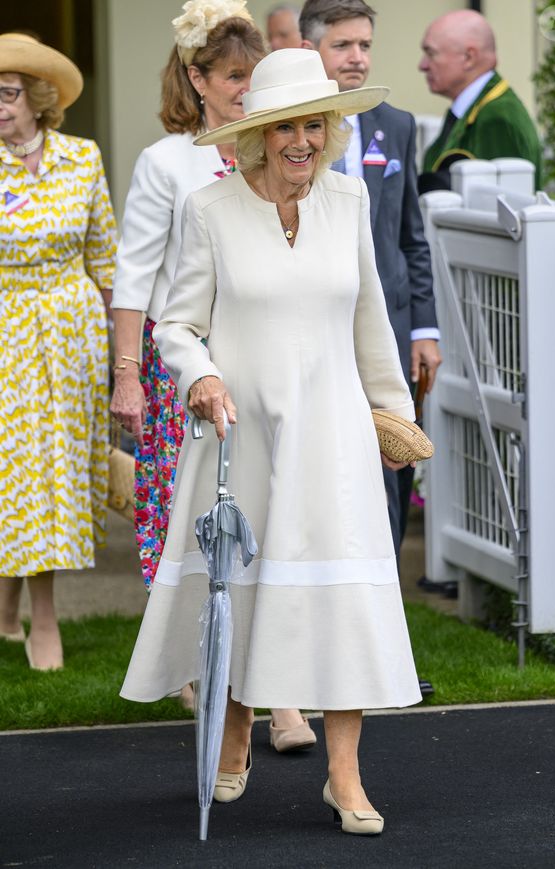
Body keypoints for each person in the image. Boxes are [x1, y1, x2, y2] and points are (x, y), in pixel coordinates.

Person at [121, 47, 422, 836]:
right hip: (240, 434)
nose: (304, 140)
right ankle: (233, 731)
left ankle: (346, 775)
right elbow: (177, 324)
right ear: (258, 135)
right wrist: (199, 376)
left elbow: (370, 325)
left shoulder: (351, 202)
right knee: (241, 592)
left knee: (342, 602)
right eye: (287, 125)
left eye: (315, 124)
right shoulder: (211, 211)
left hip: (332, 437)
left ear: (330, 128)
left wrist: (392, 416)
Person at [110, 1, 313, 749]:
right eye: (232, 78)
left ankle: (282, 692)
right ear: (198, 79)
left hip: (266, 370)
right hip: (186, 378)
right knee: (203, 533)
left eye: (252, 77)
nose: (243, 91)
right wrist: (128, 377)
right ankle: (219, 678)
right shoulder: (169, 161)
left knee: (276, 527)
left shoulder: (274, 152)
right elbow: (135, 279)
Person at [300, 0, 440, 696]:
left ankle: (383, 649)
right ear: (311, 48)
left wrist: (425, 328)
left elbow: (411, 234)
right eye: (344, 44)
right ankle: (320, 638)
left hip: (386, 333)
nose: (357, 57)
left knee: (390, 475)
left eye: (365, 45)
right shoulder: (292, 128)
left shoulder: (396, 127)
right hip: (317, 334)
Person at [0, 34, 116, 670]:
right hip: (7, 333)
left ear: (39, 99)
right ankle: (42, 618)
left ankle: (7, 610)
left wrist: (119, 358)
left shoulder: (81, 157)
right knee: (20, 475)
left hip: (73, 335)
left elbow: (104, 258)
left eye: (8, 93)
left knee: (59, 474)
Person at [418, 8, 543, 192]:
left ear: (469, 57)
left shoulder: (498, 118)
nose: (422, 65)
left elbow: (501, 208)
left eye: (431, 53)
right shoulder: (476, 109)